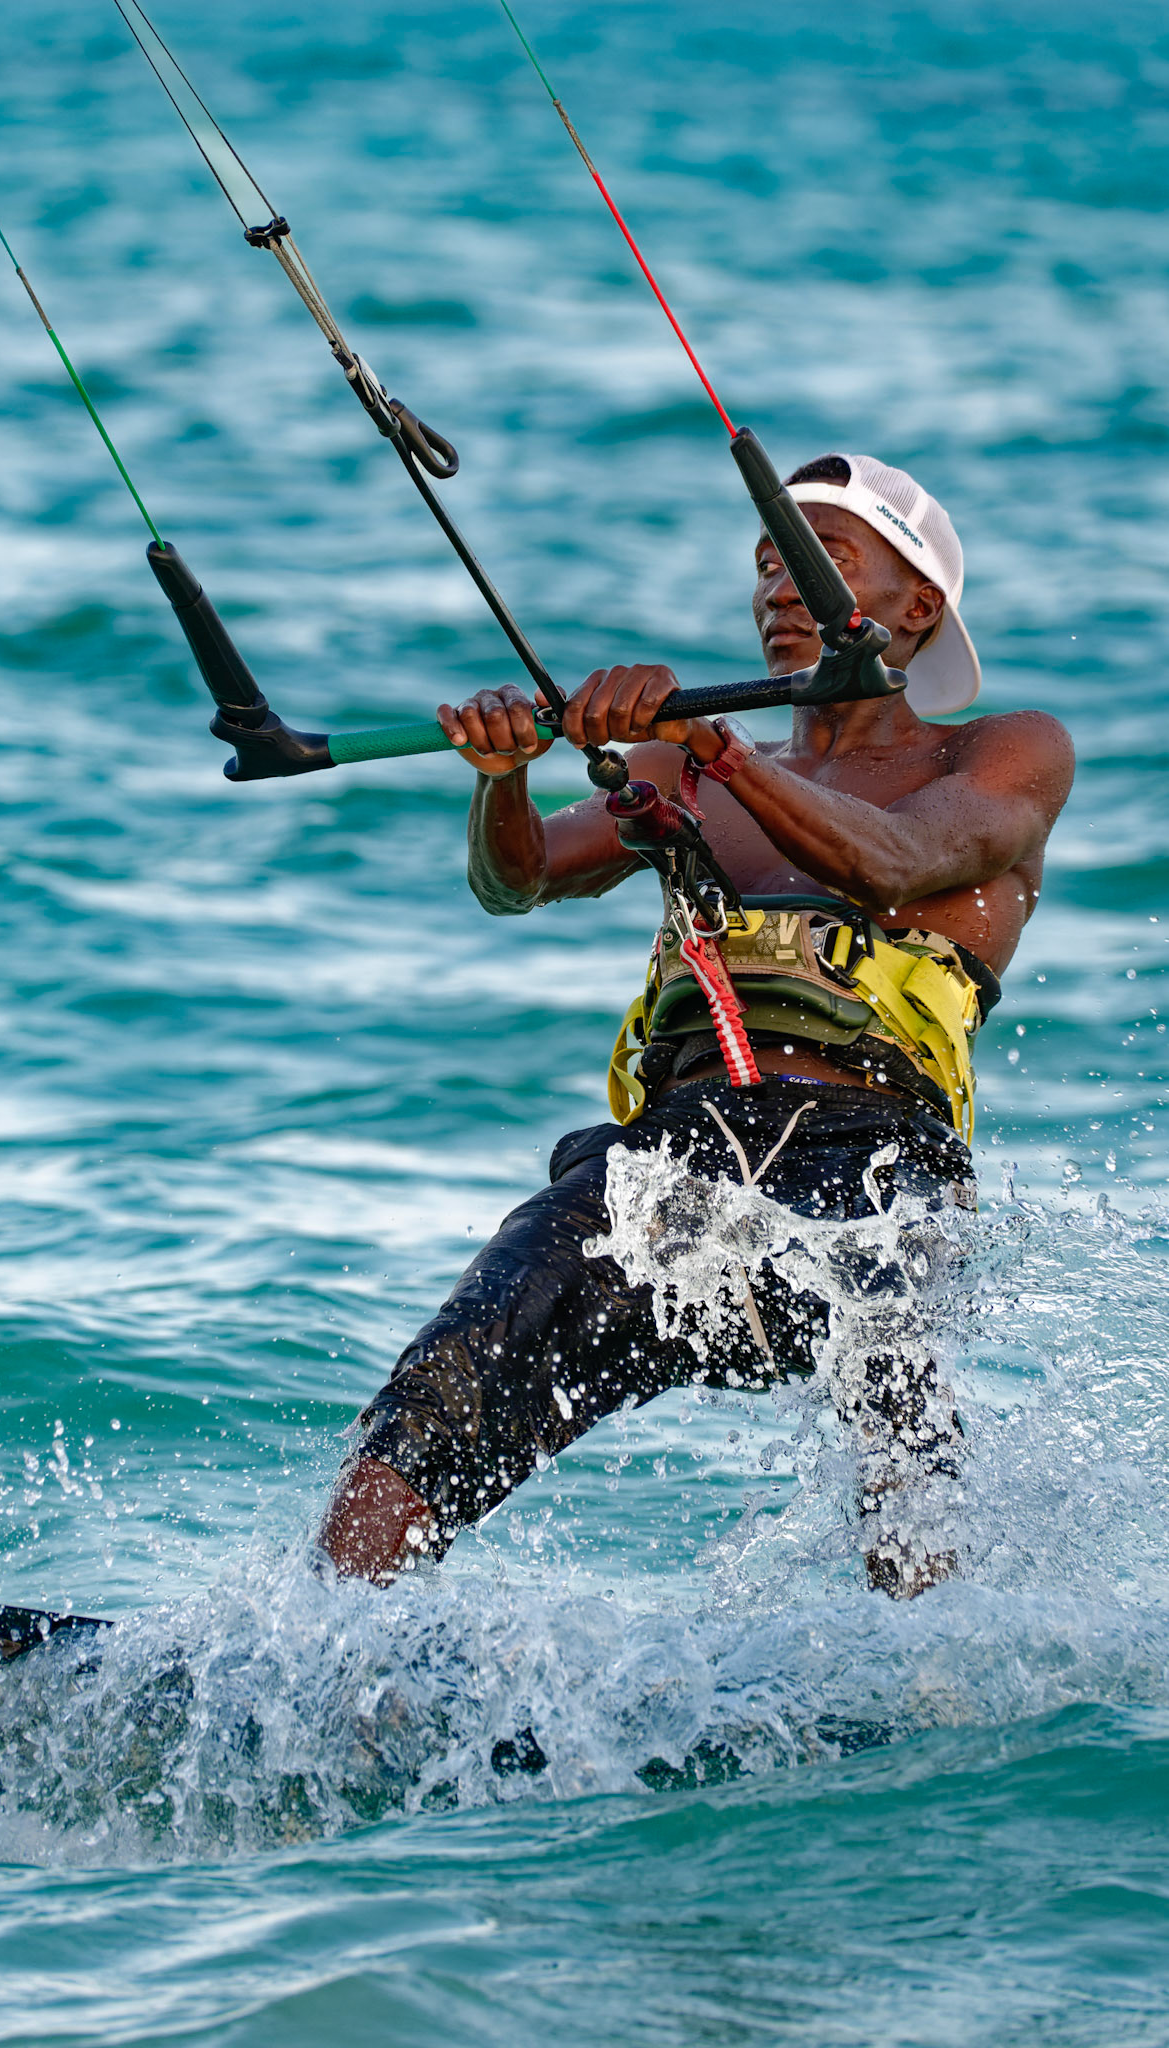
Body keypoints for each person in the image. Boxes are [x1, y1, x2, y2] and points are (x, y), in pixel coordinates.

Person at [319, 452, 1074, 1594]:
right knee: (455, 1372)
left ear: (917, 607)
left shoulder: (1000, 752)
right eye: (766, 562)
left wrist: (713, 754)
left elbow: (894, 859)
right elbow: (515, 880)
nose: (779, 586)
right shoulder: (689, 766)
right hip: (672, 1162)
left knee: (894, 1386)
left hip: (868, 1152)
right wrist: (503, 776)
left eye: (817, 560)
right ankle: (311, 1645)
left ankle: (937, 1657)